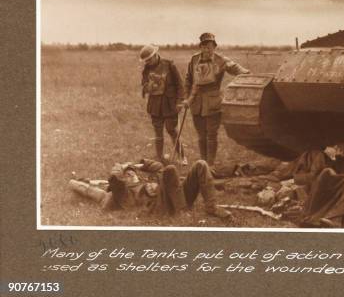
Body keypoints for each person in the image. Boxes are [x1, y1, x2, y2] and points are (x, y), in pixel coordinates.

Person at [69, 158, 231, 218]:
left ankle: (211, 207)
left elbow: (158, 166)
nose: (132, 175)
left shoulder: (141, 181)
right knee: (170, 170)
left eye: (133, 173)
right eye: (128, 175)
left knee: (200, 165)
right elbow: (114, 176)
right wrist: (124, 166)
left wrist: (137, 165)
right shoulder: (124, 192)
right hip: (164, 206)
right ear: (124, 180)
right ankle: (182, 210)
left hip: (177, 195)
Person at [183, 33, 249, 167]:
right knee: (201, 135)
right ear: (200, 47)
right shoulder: (194, 59)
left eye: (210, 46)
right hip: (196, 103)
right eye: (204, 46)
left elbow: (238, 70)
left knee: (211, 135)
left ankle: (210, 164)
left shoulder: (221, 60)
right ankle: (203, 162)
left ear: (214, 47)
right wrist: (186, 98)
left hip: (213, 103)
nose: (207, 49)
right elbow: (188, 79)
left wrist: (246, 75)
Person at [139, 45, 186, 164]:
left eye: (149, 59)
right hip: (155, 105)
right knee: (158, 131)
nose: (148, 62)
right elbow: (144, 84)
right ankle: (159, 158)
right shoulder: (146, 69)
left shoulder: (170, 65)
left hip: (169, 104)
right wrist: (147, 87)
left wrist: (180, 101)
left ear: (155, 55)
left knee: (171, 130)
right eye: (146, 61)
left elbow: (180, 85)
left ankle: (182, 157)